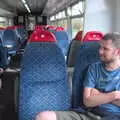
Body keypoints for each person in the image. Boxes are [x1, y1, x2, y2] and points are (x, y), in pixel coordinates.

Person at [35, 33, 120, 120]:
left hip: (114, 116)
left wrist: (98, 94)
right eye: (100, 47)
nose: (100, 51)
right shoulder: (94, 68)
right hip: (89, 113)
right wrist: (114, 95)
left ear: (117, 52)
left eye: (105, 49)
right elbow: (87, 101)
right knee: (42, 116)